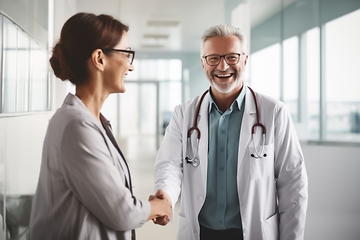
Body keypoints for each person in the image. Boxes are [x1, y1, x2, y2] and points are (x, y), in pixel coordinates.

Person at [151, 24, 308, 240]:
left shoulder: (274, 112)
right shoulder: (184, 114)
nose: (223, 66)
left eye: (232, 57)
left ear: (244, 60)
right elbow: (169, 165)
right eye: (213, 58)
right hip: (200, 232)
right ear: (203, 63)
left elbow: (293, 185)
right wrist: (165, 195)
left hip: (253, 232)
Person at [29, 12, 171, 240]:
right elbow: (121, 211)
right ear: (99, 59)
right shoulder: (75, 126)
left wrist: (148, 207)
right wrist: (157, 208)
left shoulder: (92, 122)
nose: (131, 66)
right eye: (127, 54)